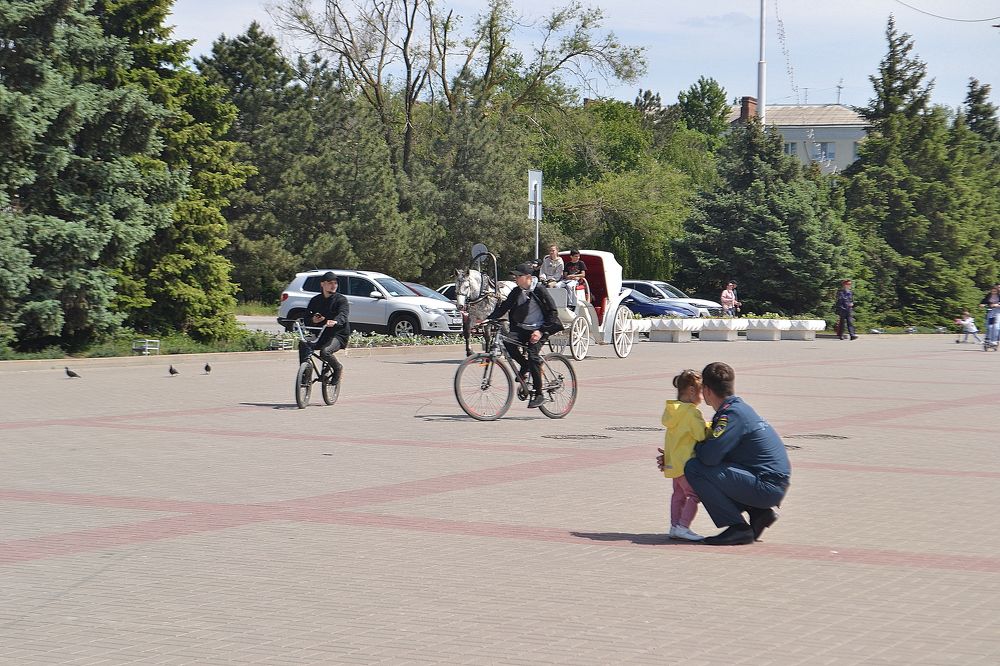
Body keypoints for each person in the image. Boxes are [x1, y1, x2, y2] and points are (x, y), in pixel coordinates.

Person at [684, 362, 791, 546]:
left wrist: (690, 448)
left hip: (767, 486)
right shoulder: (738, 408)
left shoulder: (731, 415)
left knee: (695, 468)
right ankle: (759, 514)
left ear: (707, 390)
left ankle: (738, 528)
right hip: (770, 482)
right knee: (712, 466)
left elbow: (709, 457)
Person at [488, 263, 564, 408]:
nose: (515, 278)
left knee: (533, 355)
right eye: (515, 276)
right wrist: (487, 319)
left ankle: (539, 394)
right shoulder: (517, 291)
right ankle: (525, 365)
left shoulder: (540, 290)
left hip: (541, 328)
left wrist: (541, 331)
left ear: (528, 278)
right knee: (508, 342)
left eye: (519, 276)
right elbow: (504, 307)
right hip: (523, 328)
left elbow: (553, 312)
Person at [657, 369, 709, 542]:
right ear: (692, 391)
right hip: (686, 464)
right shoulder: (692, 413)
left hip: (673, 463)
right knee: (695, 495)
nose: (702, 397)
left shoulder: (672, 411)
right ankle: (683, 526)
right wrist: (710, 426)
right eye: (701, 392)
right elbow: (701, 435)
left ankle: (674, 526)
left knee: (677, 495)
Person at [299, 271, 351, 384]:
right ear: (322, 284)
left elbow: (343, 314)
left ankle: (338, 368)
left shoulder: (341, 300)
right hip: (321, 334)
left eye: (335, 283)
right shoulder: (315, 300)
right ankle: (305, 375)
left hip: (338, 335)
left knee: (325, 352)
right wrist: (313, 320)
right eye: (330, 283)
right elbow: (307, 317)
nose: (333, 285)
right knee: (303, 344)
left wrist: (335, 321)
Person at [980, 284, 1000, 349]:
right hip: (991, 312)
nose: (993, 293)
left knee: (996, 327)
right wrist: (982, 305)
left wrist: (997, 305)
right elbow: (984, 301)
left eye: (995, 291)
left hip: (998, 313)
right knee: (990, 326)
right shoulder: (989, 295)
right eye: (992, 291)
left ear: (997, 291)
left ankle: (994, 341)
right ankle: (988, 340)